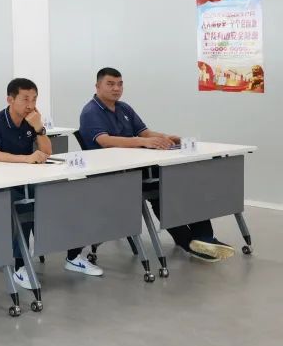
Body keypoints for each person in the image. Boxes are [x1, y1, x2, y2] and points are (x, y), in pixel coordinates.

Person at [78, 67, 234, 263]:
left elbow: (144, 132)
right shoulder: (90, 112)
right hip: (115, 175)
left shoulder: (124, 108)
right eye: (110, 84)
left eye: (120, 84)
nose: (116, 88)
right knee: (163, 190)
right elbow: (105, 141)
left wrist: (165, 137)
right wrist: (143, 142)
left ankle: (204, 239)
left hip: (137, 167)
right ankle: (190, 242)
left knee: (185, 184)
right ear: (97, 86)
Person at [0, 78, 87, 286]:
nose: (30, 105)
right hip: (2, 183)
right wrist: (26, 158)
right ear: (10, 100)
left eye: (34, 99)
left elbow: (47, 151)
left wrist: (39, 128)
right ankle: (20, 266)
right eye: (25, 99)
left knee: (66, 195)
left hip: (28, 178)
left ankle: (73, 256)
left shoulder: (31, 120)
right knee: (24, 205)